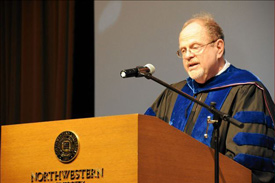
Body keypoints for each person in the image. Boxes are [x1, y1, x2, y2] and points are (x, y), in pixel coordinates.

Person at [145, 13, 275, 183]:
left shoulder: (246, 90)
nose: (188, 55)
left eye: (195, 47)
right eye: (183, 50)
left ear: (219, 48)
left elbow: (247, 161)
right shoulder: (173, 93)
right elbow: (145, 144)